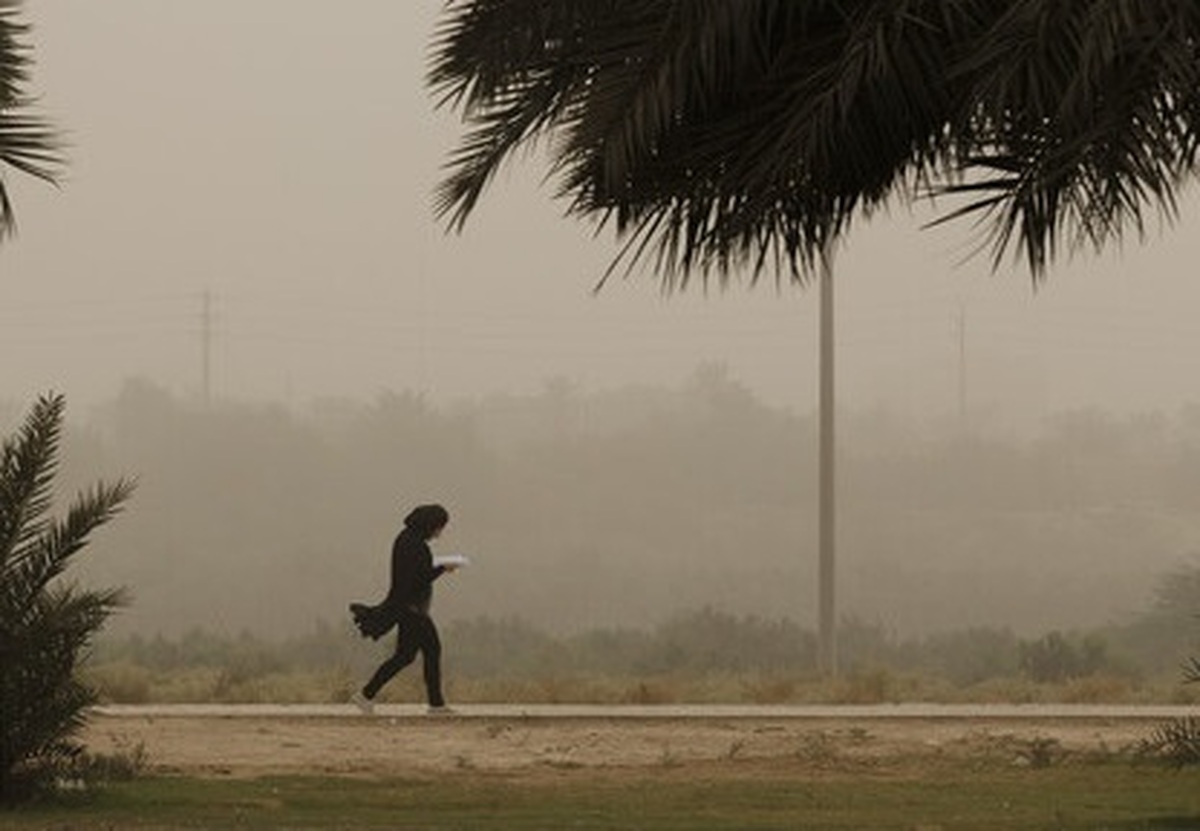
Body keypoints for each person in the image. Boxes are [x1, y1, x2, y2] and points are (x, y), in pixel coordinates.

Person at [350, 503, 457, 714]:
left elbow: (415, 573)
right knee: (427, 651)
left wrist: (436, 569)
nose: (440, 532)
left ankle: (367, 694)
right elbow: (417, 579)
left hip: (409, 608)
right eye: (439, 527)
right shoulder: (413, 544)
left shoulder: (408, 540)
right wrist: (442, 569)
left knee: (406, 655)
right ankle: (435, 704)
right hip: (412, 609)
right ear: (430, 524)